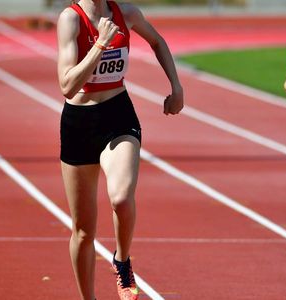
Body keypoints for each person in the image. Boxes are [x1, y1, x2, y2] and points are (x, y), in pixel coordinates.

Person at [57, 1, 184, 299]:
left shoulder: (126, 13)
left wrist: (176, 86)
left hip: (118, 115)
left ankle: (122, 260)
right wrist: (100, 43)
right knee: (84, 231)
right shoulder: (71, 19)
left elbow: (157, 41)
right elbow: (67, 86)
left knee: (122, 198)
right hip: (79, 123)